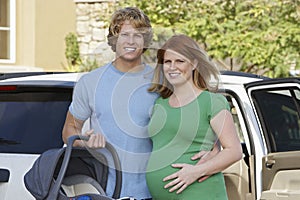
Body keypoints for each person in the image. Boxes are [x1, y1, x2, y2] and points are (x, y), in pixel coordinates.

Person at [146, 34, 243, 200]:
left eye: (180, 61)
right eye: (168, 62)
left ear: (194, 64)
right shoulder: (159, 104)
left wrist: (194, 172)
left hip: (201, 193)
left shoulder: (211, 101)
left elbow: (234, 151)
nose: (172, 67)